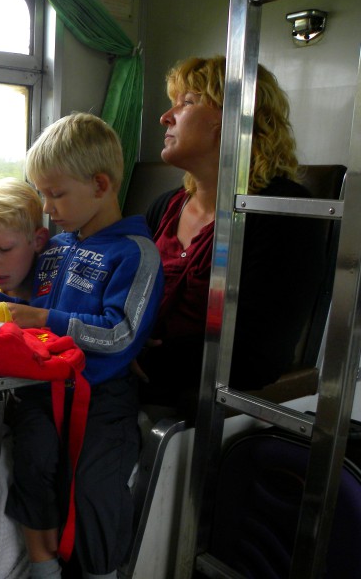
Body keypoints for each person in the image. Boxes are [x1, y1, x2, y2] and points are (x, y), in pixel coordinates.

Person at [0, 113, 164, 579]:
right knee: (33, 462)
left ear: (101, 185)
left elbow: (120, 332)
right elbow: (38, 298)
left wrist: (47, 319)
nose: (48, 207)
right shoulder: (60, 246)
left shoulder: (133, 253)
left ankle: (102, 571)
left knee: (93, 486)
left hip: (102, 392)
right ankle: (44, 570)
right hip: (44, 387)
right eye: (42, 194)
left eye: (56, 193)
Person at [135, 55, 326, 418]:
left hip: (195, 400)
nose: (166, 116)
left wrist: (138, 356)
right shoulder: (166, 207)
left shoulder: (282, 213)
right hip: (137, 378)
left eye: (187, 102)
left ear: (234, 117)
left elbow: (259, 354)